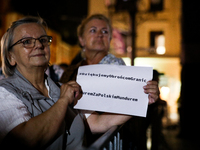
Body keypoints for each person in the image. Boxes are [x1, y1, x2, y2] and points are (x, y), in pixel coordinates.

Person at [60, 14, 159, 139]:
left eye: (105, 31)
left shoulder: (120, 69)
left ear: (110, 39)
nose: (100, 34)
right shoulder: (70, 71)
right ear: (81, 39)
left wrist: (146, 95)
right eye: (93, 30)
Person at [0, 16, 84, 150]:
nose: (39, 45)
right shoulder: (4, 94)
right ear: (11, 57)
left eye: (43, 40)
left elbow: (96, 122)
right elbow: (26, 140)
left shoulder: (60, 88)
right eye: (27, 41)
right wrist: (62, 101)